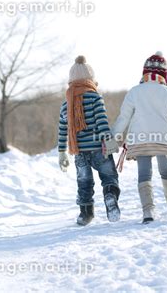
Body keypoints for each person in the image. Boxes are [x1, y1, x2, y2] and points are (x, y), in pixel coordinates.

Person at [112, 52, 167, 224]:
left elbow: (123, 117)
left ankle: (148, 210)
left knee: (144, 173)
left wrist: (114, 136)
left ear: (144, 73)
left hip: (140, 140)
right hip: (163, 139)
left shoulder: (134, 92)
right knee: (166, 170)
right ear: (164, 74)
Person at [57, 55, 121, 226]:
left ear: (71, 80)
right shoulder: (94, 98)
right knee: (109, 177)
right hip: (98, 149)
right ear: (91, 79)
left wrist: (62, 152)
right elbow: (101, 122)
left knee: (84, 183)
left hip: (79, 152)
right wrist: (108, 140)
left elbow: (63, 130)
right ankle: (110, 197)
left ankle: (85, 214)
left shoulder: (66, 104)